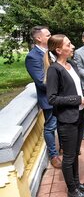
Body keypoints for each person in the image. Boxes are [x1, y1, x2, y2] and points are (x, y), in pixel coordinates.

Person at [46, 34, 84, 197]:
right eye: (69, 44)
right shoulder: (54, 69)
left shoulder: (72, 64)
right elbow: (52, 98)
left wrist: (83, 98)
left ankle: (77, 183)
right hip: (66, 119)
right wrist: (78, 100)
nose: (73, 46)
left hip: (79, 115)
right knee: (68, 157)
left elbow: (76, 88)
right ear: (59, 50)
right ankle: (72, 190)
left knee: (75, 153)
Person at [25, 26, 62, 169]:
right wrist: (63, 85)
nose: (51, 37)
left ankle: (63, 147)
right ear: (38, 38)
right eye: (48, 35)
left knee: (62, 124)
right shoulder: (33, 57)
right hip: (49, 100)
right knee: (51, 127)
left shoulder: (51, 52)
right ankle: (53, 155)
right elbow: (41, 82)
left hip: (61, 98)